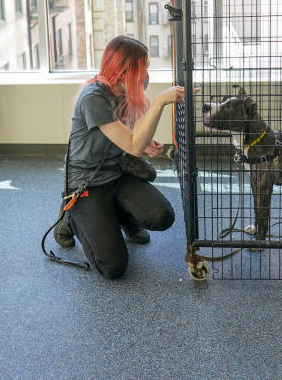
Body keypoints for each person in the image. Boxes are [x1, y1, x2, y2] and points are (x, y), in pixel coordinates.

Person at [53, 36, 186, 279]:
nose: (146, 74)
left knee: (162, 216)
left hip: (117, 172)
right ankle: (71, 217)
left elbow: (129, 136)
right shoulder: (93, 98)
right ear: (124, 70)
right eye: (141, 68)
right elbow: (133, 146)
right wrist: (159, 103)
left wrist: (145, 144)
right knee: (112, 268)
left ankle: (119, 216)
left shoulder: (131, 86)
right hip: (87, 183)